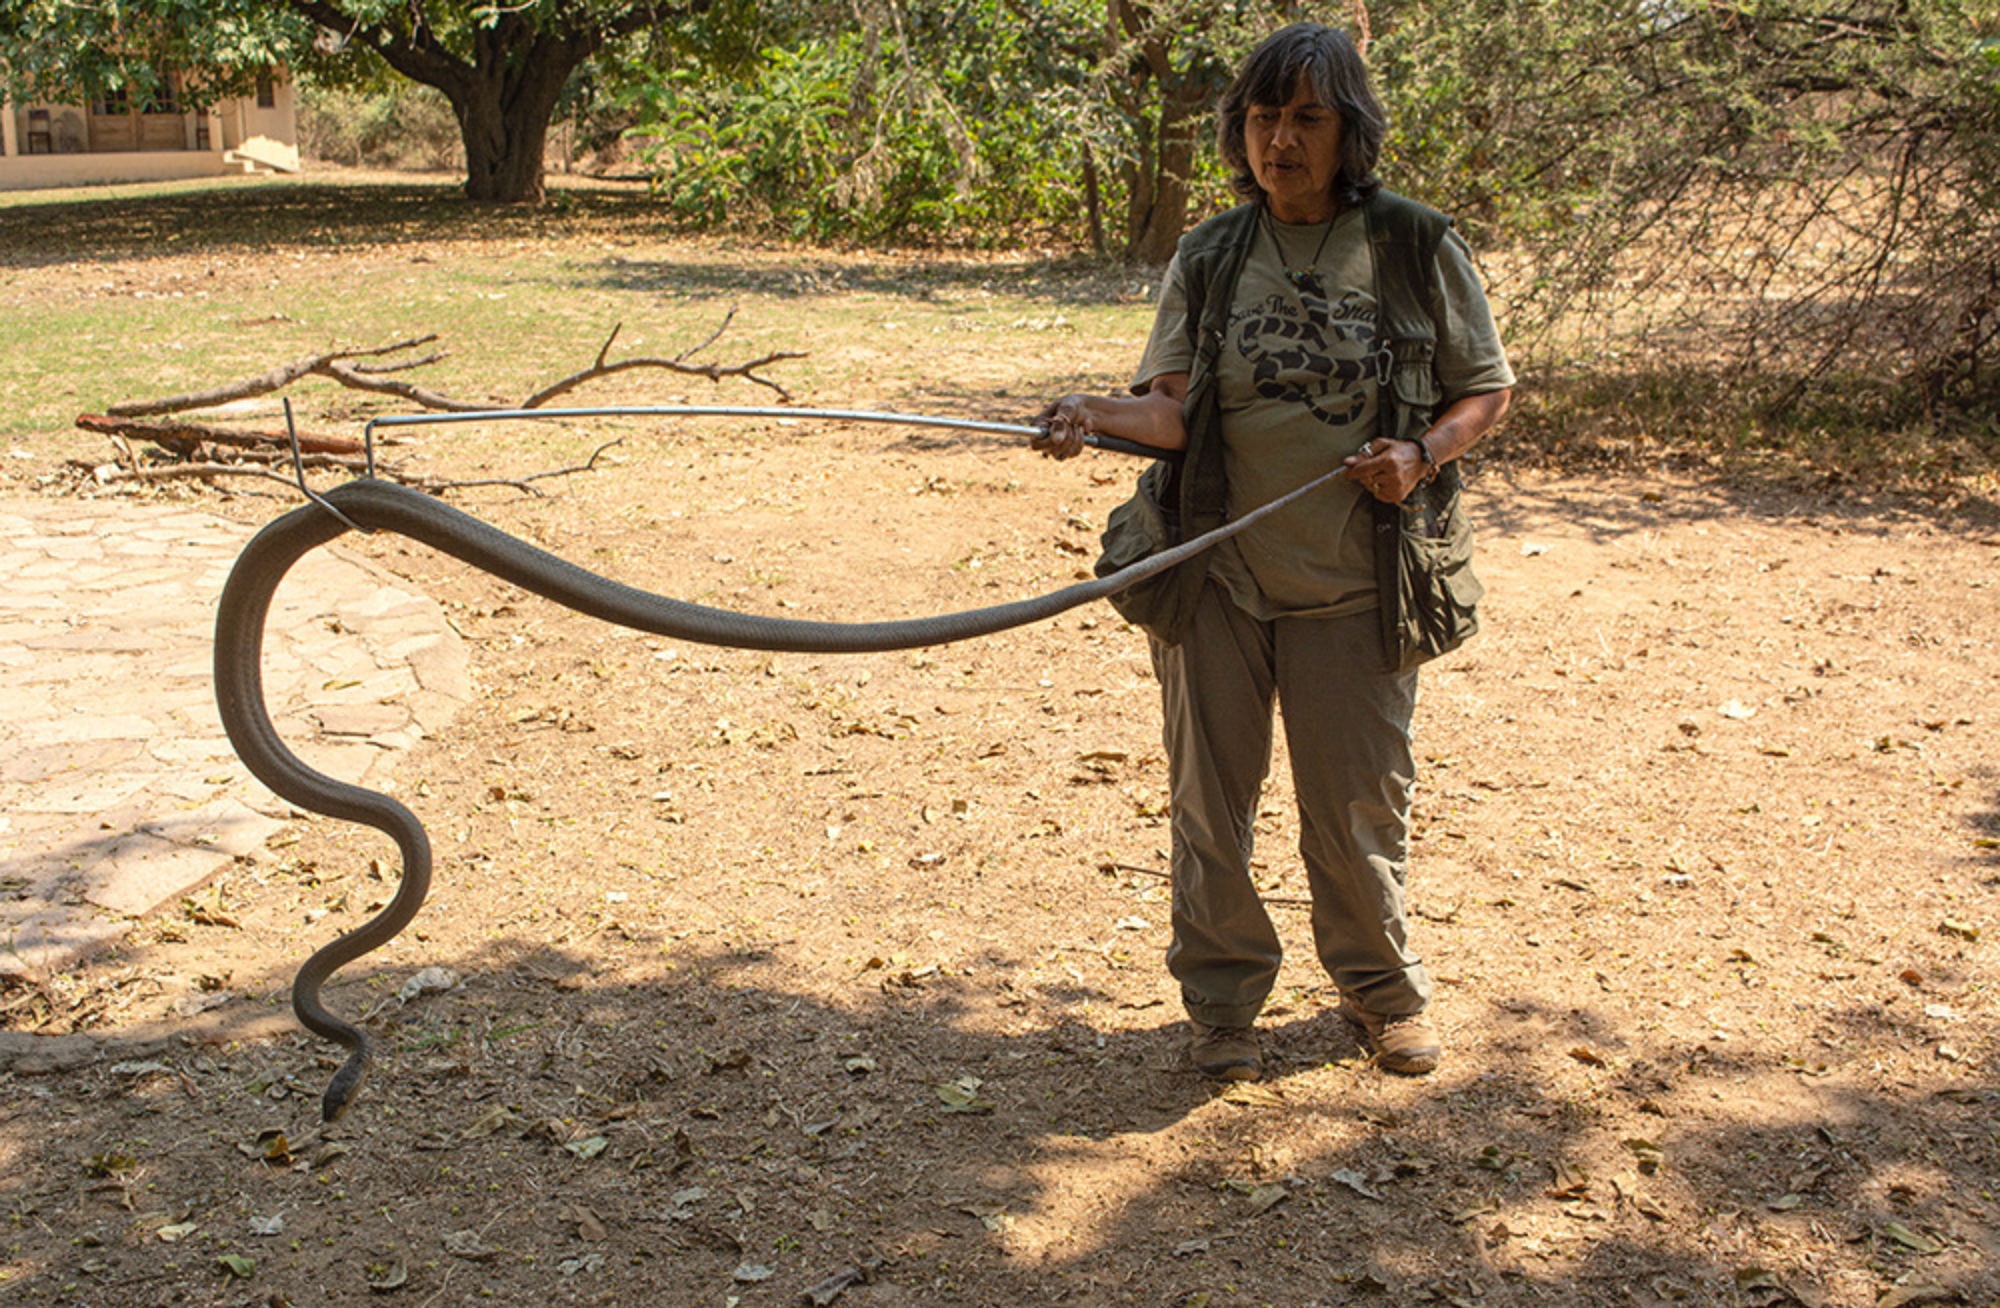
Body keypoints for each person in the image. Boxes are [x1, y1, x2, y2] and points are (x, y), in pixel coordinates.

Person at [1033, 22, 1512, 1080]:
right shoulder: (1210, 256)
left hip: (1358, 586)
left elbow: (1486, 389)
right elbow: (1167, 416)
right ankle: (1219, 1004)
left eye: (1304, 118)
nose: (1279, 141)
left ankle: (1378, 996)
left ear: (1350, 132)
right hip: (1218, 578)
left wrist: (1419, 453)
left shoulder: (1411, 245)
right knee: (1211, 803)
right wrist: (1088, 412)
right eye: (1261, 117)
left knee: (1354, 808)